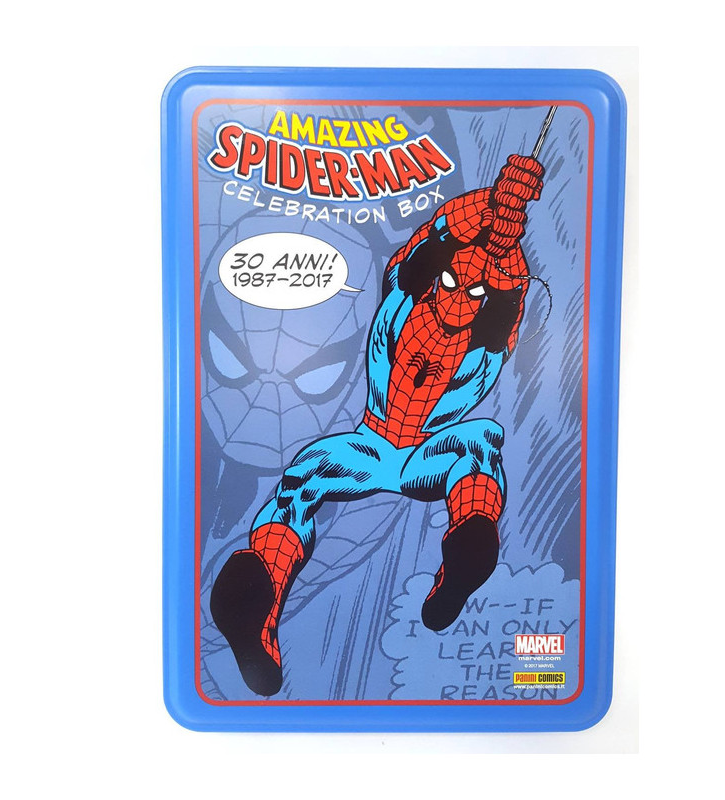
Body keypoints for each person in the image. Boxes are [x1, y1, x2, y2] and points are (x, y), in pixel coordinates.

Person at [210, 154, 546, 696]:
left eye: (474, 295)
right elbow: (430, 239)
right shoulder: (403, 295)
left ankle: (469, 546)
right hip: (373, 443)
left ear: (489, 303)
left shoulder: (489, 339)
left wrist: (506, 220)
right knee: (305, 475)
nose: (458, 298)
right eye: (450, 280)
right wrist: (490, 204)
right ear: (434, 274)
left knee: (478, 443)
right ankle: (258, 599)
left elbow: (510, 291)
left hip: (420, 450)